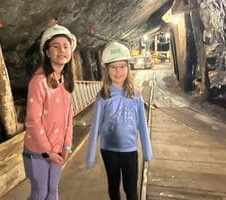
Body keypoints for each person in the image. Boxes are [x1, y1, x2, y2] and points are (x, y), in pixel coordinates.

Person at [86, 41, 153, 200]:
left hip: (130, 150)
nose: (118, 71)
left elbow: (142, 125)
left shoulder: (135, 95)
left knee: (131, 190)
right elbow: (95, 127)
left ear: (128, 68)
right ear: (106, 70)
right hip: (109, 151)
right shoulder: (103, 96)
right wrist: (90, 154)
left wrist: (147, 150)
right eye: (113, 67)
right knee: (113, 187)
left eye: (122, 66)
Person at [22, 24, 76, 200]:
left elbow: (69, 116)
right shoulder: (39, 82)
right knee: (40, 193)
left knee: (52, 191)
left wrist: (67, 145)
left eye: (66, 46)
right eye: (56, 46)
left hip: (58, 148)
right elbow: (32, 120)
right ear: (47, 52)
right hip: (38, 151)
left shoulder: (65, 81)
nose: (62, 50)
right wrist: (48, 151)